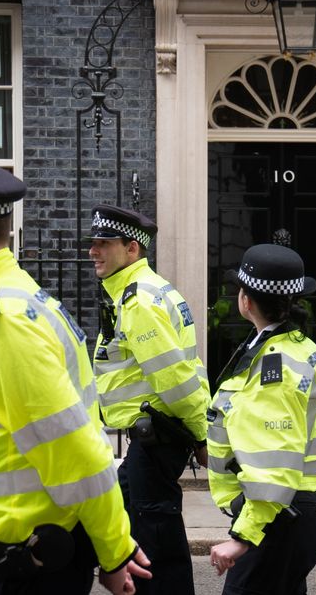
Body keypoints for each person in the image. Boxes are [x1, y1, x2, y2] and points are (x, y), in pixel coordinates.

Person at [0, 151, 150, 595]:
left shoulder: (5, 321)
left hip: (24, 567)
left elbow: (74, 450)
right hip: (18, 557)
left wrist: (114, 551)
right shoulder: (11, 300)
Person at [86, 204, 211, 595]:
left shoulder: (139, 301)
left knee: (156, 544)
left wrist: (202, 434)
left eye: (104, 243)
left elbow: (173, 378)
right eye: (94, 242)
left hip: (156, 436)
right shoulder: (147, 291)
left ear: (133, 250)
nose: (94, 251)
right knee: (132, 529)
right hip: (150, 437)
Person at [207, 244, 316, 594]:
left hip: (278, 518)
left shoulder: (273, 369)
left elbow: (274, 465)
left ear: (246, 300)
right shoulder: (300, 346)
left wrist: (243, 537)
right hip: (295, 511)